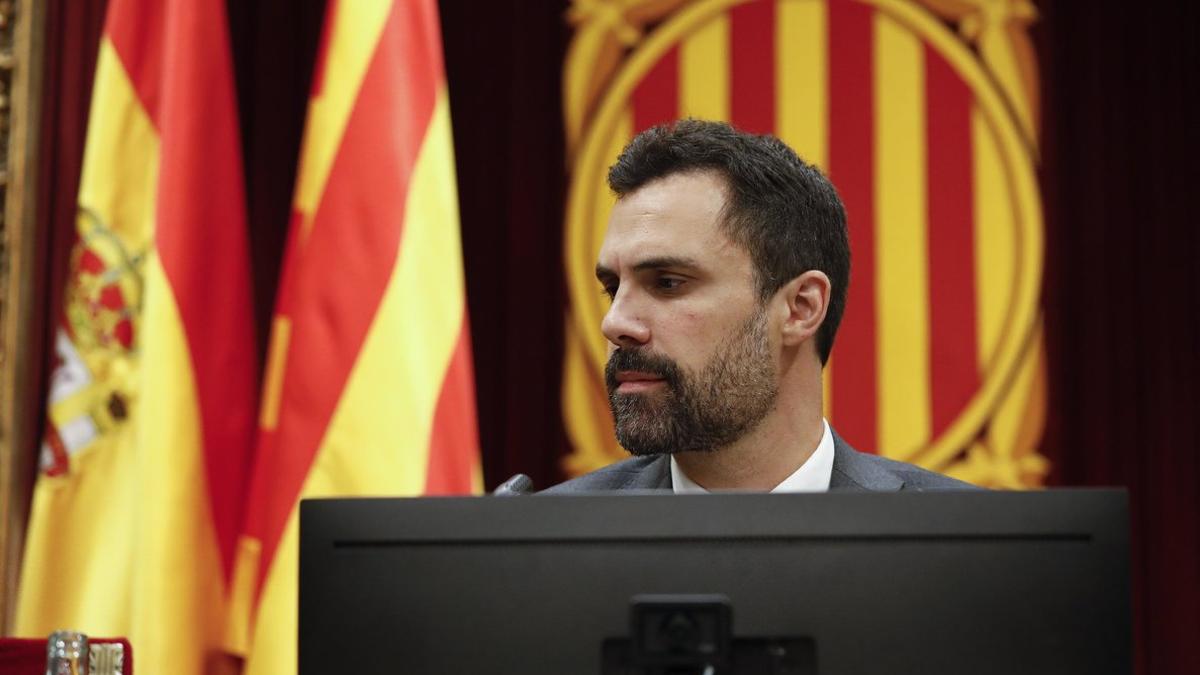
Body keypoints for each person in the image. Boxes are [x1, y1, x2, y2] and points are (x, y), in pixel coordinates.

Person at [546, 119, 971, 493]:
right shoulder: (548, 548)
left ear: (800, 308)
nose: (614, 322)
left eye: (668, 282)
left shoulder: (967, 544)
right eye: (612, 286)